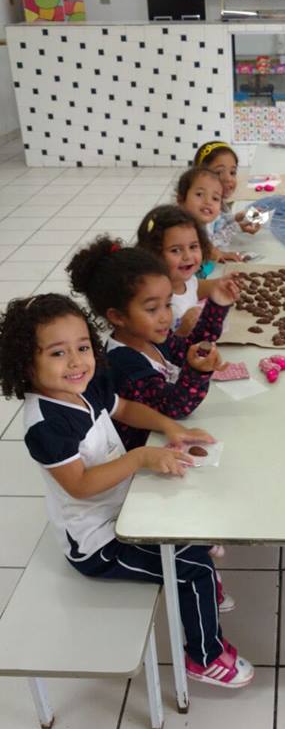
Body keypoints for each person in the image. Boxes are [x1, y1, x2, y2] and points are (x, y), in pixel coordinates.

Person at [0, 293, 253, 687]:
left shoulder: (84, 385)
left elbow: (124, 408)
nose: (76, 362)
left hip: (125, 506)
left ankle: (204, 594)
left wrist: (172, 428)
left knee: (196, 518)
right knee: (193, 568)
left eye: (83, 347)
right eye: (58, 353)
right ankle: (204, 657)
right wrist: (139, 458)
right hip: (99, 541)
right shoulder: (45, 425)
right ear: (25, 363)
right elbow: (80, 485)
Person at [66, 237, 235, 452]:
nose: (165, 317)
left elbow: (190, 348)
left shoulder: (151, 336)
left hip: (168, 434)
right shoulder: (123, 364)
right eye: (152, 309)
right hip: (145, 454)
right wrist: (197, 372)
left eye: (168, 304)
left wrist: (217, 305)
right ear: (118, 316)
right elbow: (174, 407)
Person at [137, 204, 239, 336]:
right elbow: (156, 344)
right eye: (175, 250)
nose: (188, 256)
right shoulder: (155, 301)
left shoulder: (184, 279)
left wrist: (219, 284)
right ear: (154, 254)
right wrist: (181, 331)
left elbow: (196, 287)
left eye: (193, 247)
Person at [176, 165, 245, 274]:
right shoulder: (178, 229)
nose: (208, 202)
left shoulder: (204, 225)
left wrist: (218, 253)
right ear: (181, 200)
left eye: (215, 198)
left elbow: (208, 243)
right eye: (199, 194)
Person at [193, 140, 260, 248]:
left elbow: (220, 222)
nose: (229, 179)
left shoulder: (219, 201)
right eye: (218, 173)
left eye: (232, 172)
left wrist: (238, 217)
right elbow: (208, 245)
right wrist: (237, 228)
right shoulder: (202, 210)